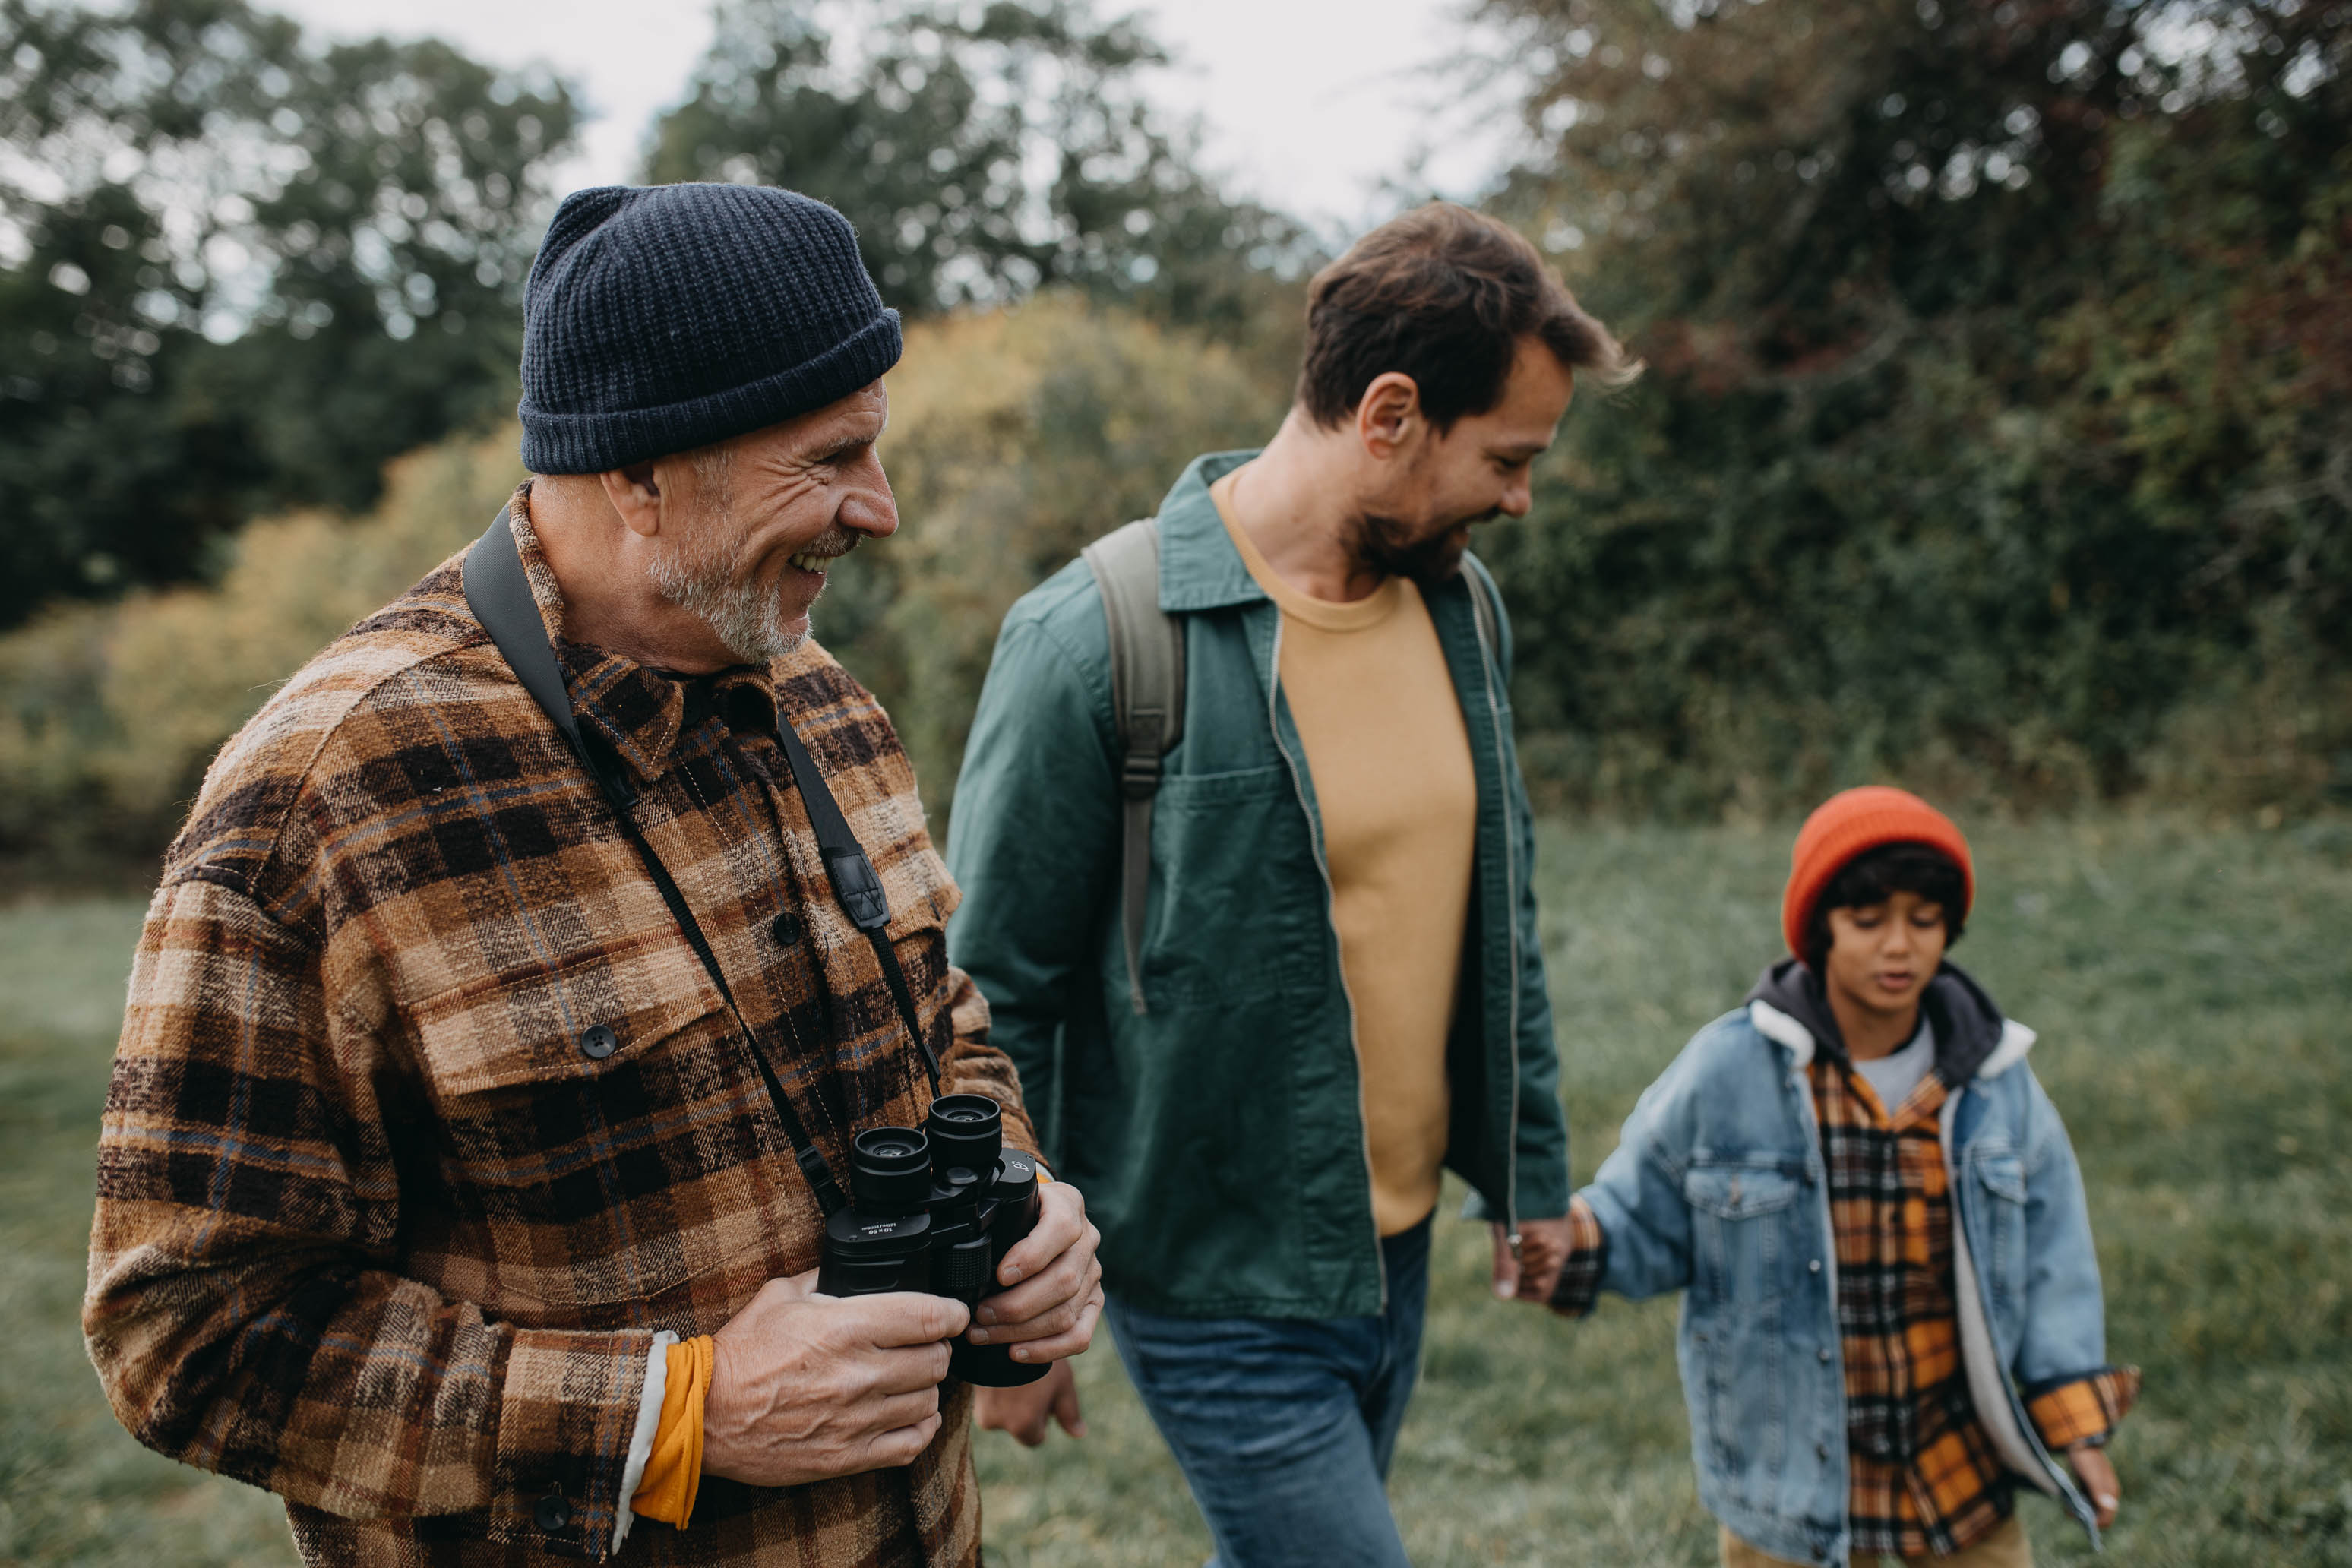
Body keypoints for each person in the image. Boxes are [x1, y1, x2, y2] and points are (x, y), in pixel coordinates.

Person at [82, 182, 1102, 1567]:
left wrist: (1020, 1196)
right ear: (639, 473)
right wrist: (677, 1412)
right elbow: (188, 1330)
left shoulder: (833, 709)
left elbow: (941, 1029)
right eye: (832, 457)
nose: (886, 508)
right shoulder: (326, 800)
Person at [942, 203, 1637, 1563]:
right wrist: (997, 1300)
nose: (1519, 496)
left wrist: (1527, 1173)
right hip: (1208, 1262)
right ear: (1389, 413)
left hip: (1394, 1247)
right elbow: (987, 999)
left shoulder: (1463, 609)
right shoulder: (1092, 638)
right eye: (1505, 457)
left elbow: (1502, 920)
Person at [1545, 787, 2139, 1566]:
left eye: (1924, 921)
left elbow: (2054, 1256)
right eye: (1869, 921)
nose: (1900, 946)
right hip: (1790, 1488)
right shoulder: (1727, 1071)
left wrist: (2074, 1426)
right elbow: (1638, 1217)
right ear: (1818, 926)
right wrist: (1566, 1244)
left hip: (1955, 1476)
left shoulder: (1996, 1081)